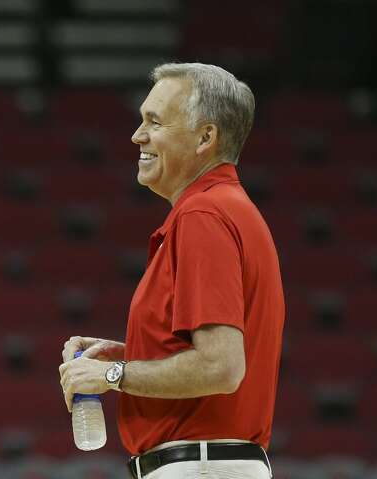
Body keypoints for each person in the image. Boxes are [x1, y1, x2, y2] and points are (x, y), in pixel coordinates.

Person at [59, 63, 284, 479]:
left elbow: (221, 367)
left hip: (199, 467)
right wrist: (133, 356)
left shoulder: (204, 213)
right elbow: (216, 358)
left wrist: (112, 376)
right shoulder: (229, 209)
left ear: (205, 137)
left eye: (155, 121)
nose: (137, 135)